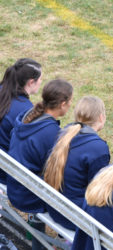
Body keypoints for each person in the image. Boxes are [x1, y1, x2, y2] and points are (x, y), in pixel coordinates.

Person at [6, 79, 73, 250]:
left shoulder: (27, 116)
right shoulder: (51, 133)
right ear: (63, 104)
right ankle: (61, 243)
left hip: (15, 186)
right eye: (70, 102)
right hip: (28, 197)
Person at [44, 96, 110, 230]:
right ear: (101, 117)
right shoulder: (98, 148)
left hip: (55, 207)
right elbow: (98, 193)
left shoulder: (64, 134)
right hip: (74, 217)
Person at [0, 58, 42, 184]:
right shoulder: (26, 111)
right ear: (31, 82)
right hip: (5, 174)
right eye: (40, 79)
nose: (41, 82)